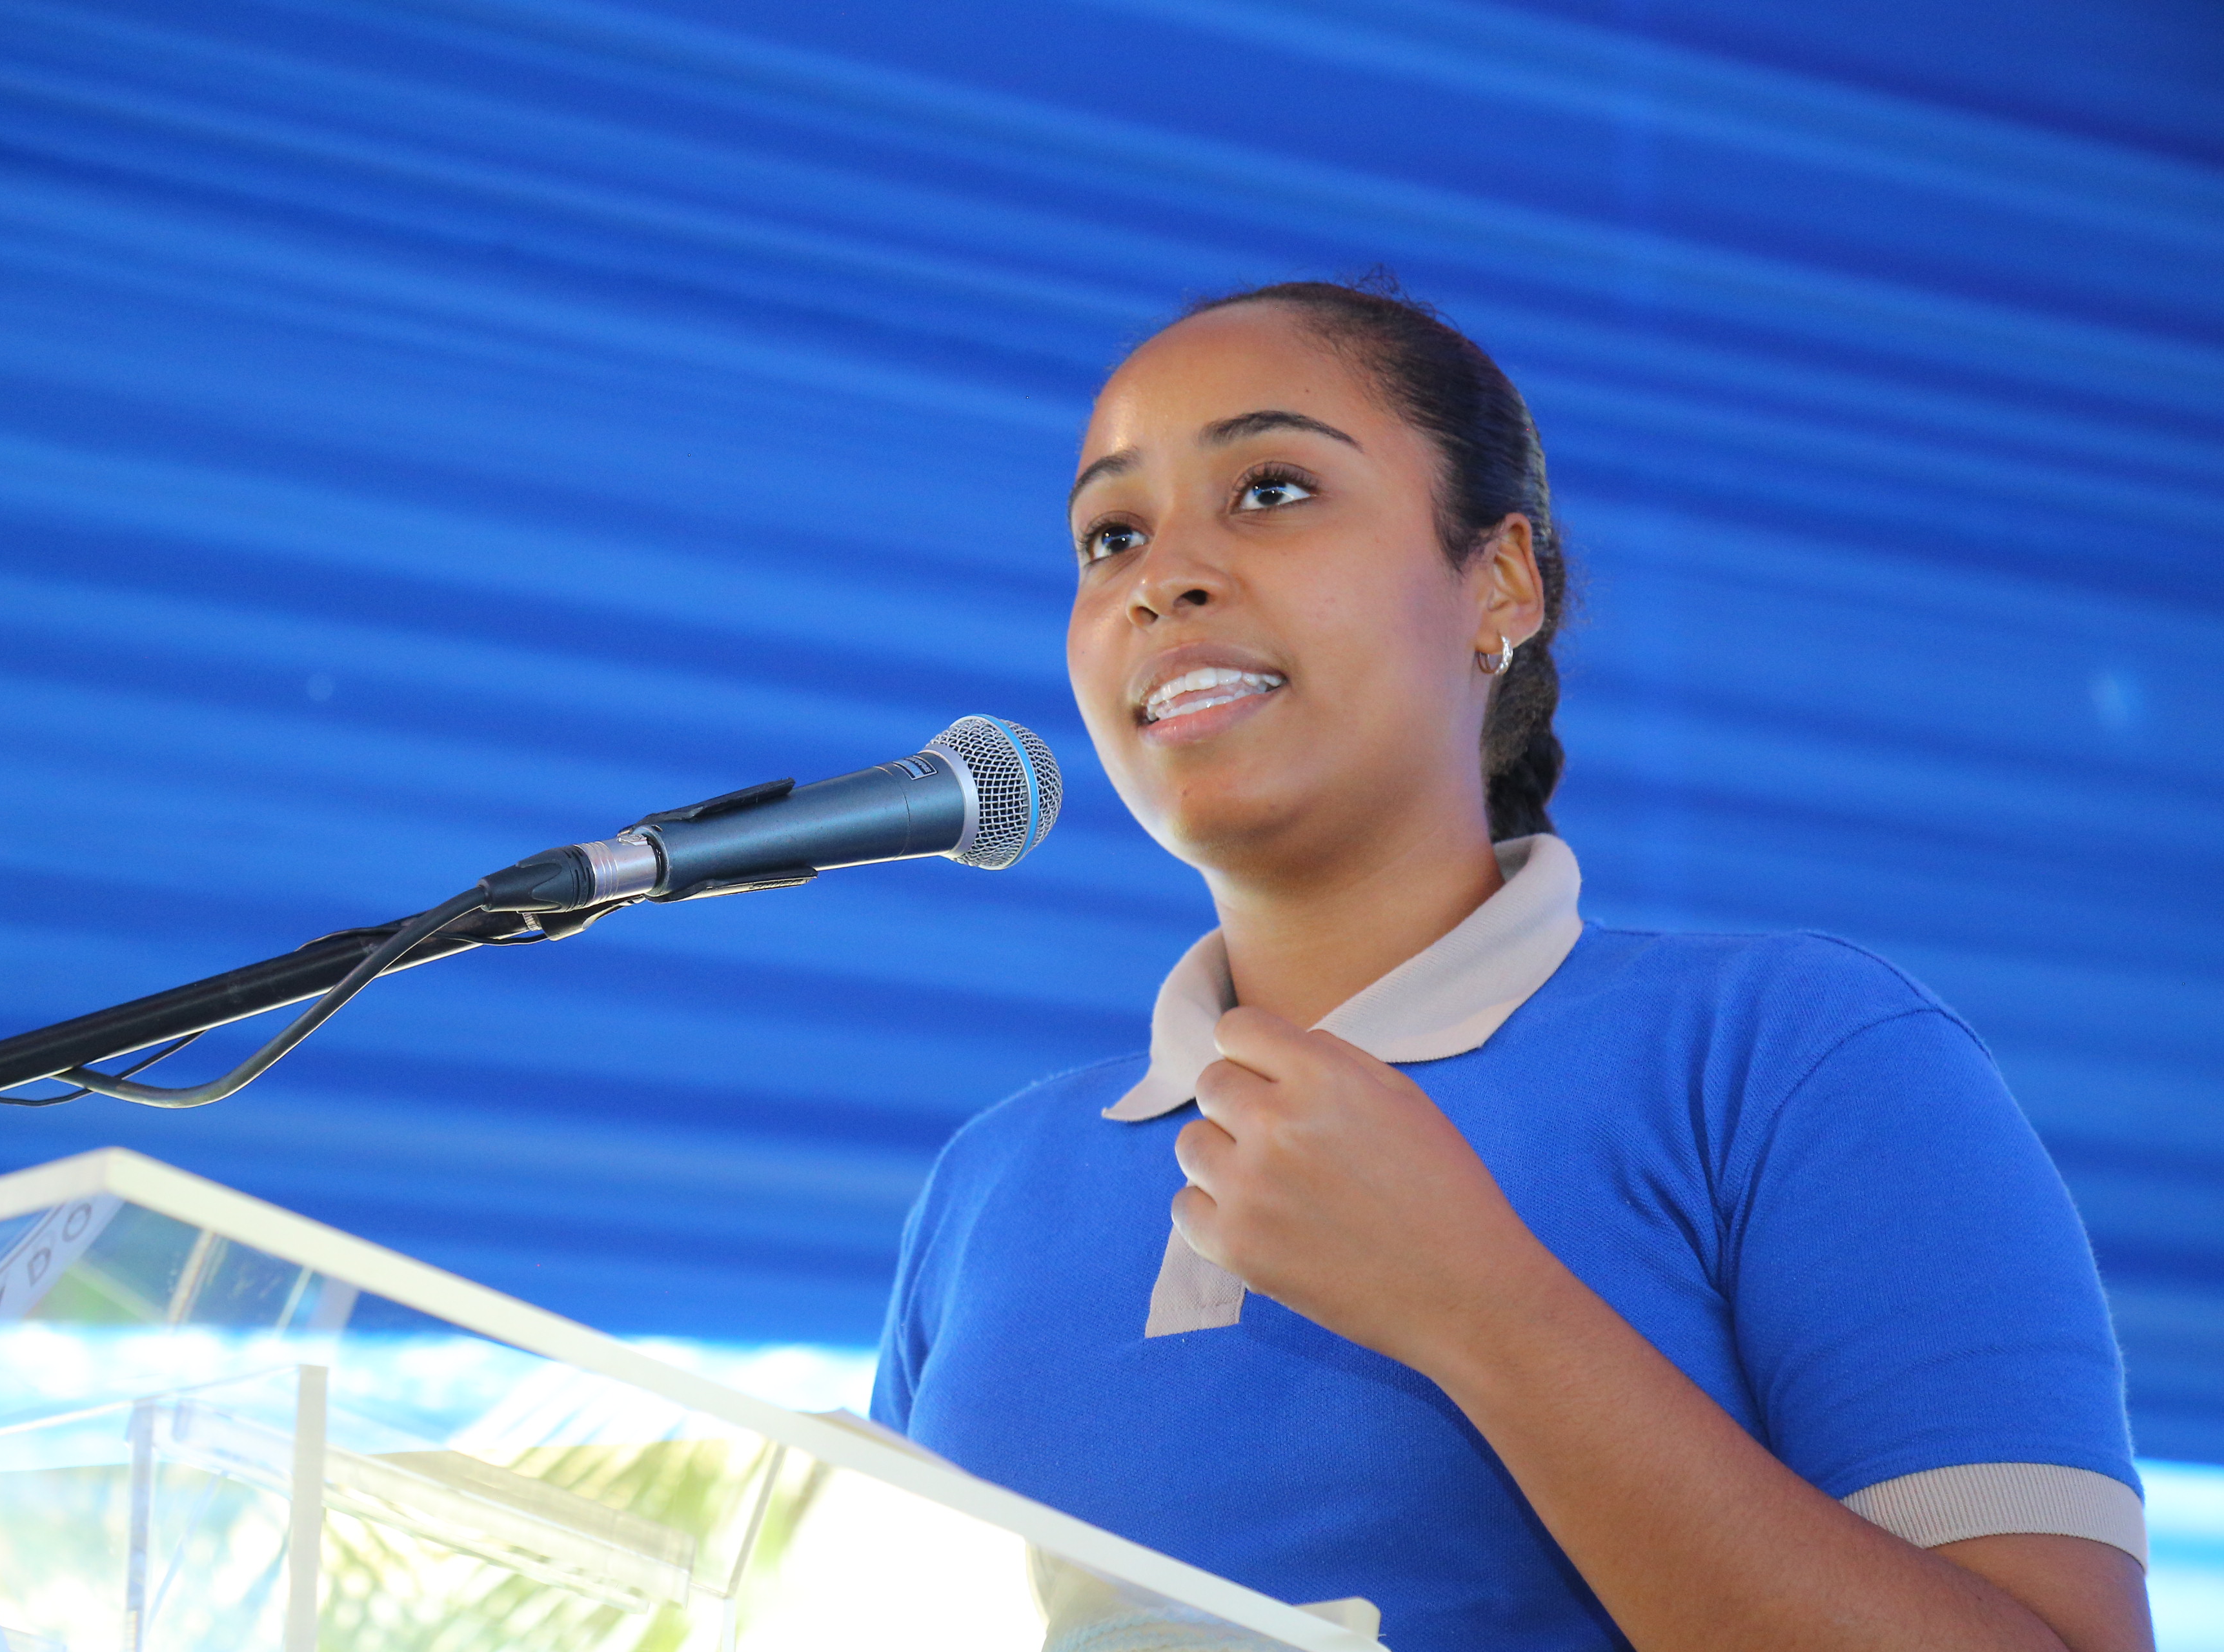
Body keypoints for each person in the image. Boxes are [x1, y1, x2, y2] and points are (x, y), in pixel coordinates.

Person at [871, 279, 2152, 1651]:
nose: (1161, 577)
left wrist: (1480, 1308)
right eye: (1110, 536)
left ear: (1500, 582)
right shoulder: (987, 1185)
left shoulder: (1791, 1053)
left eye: (1273, 490)